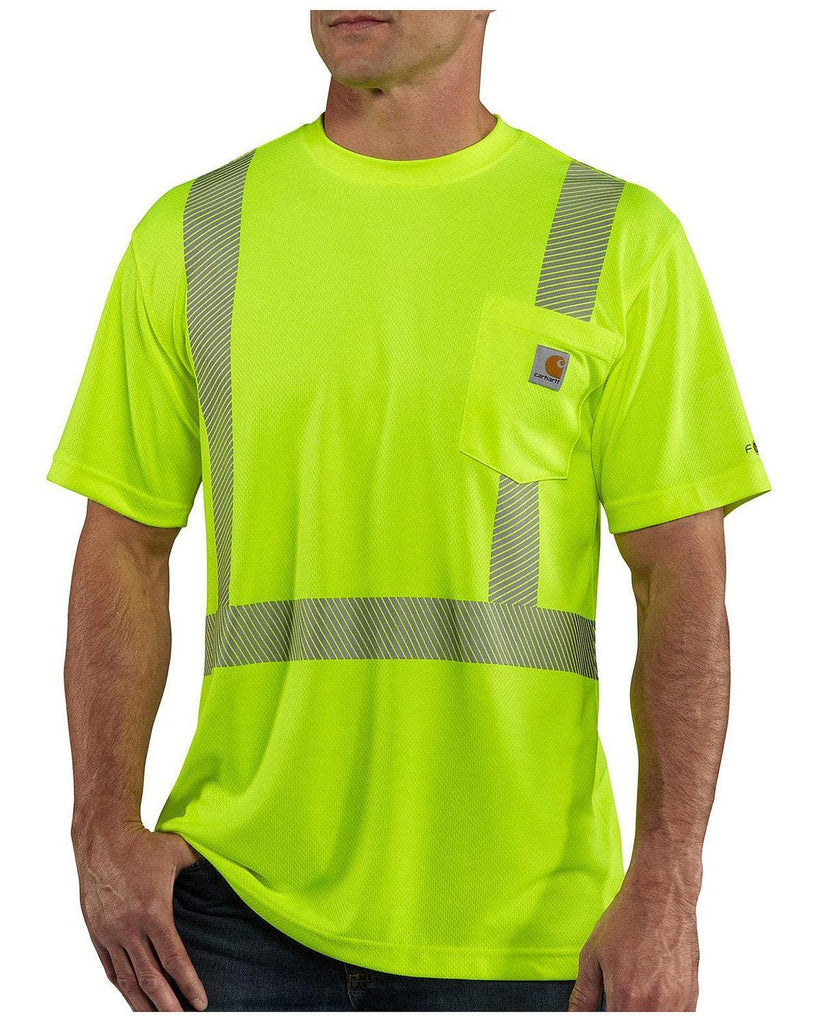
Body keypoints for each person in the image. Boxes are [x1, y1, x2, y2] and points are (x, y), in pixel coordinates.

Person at [48, 9, 771, 1013]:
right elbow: (122, 546)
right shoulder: (196, 232)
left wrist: (669, 880)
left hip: (530, 936)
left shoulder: (614, 237)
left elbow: (682, 577)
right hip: (232, 914)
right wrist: (98, 830)